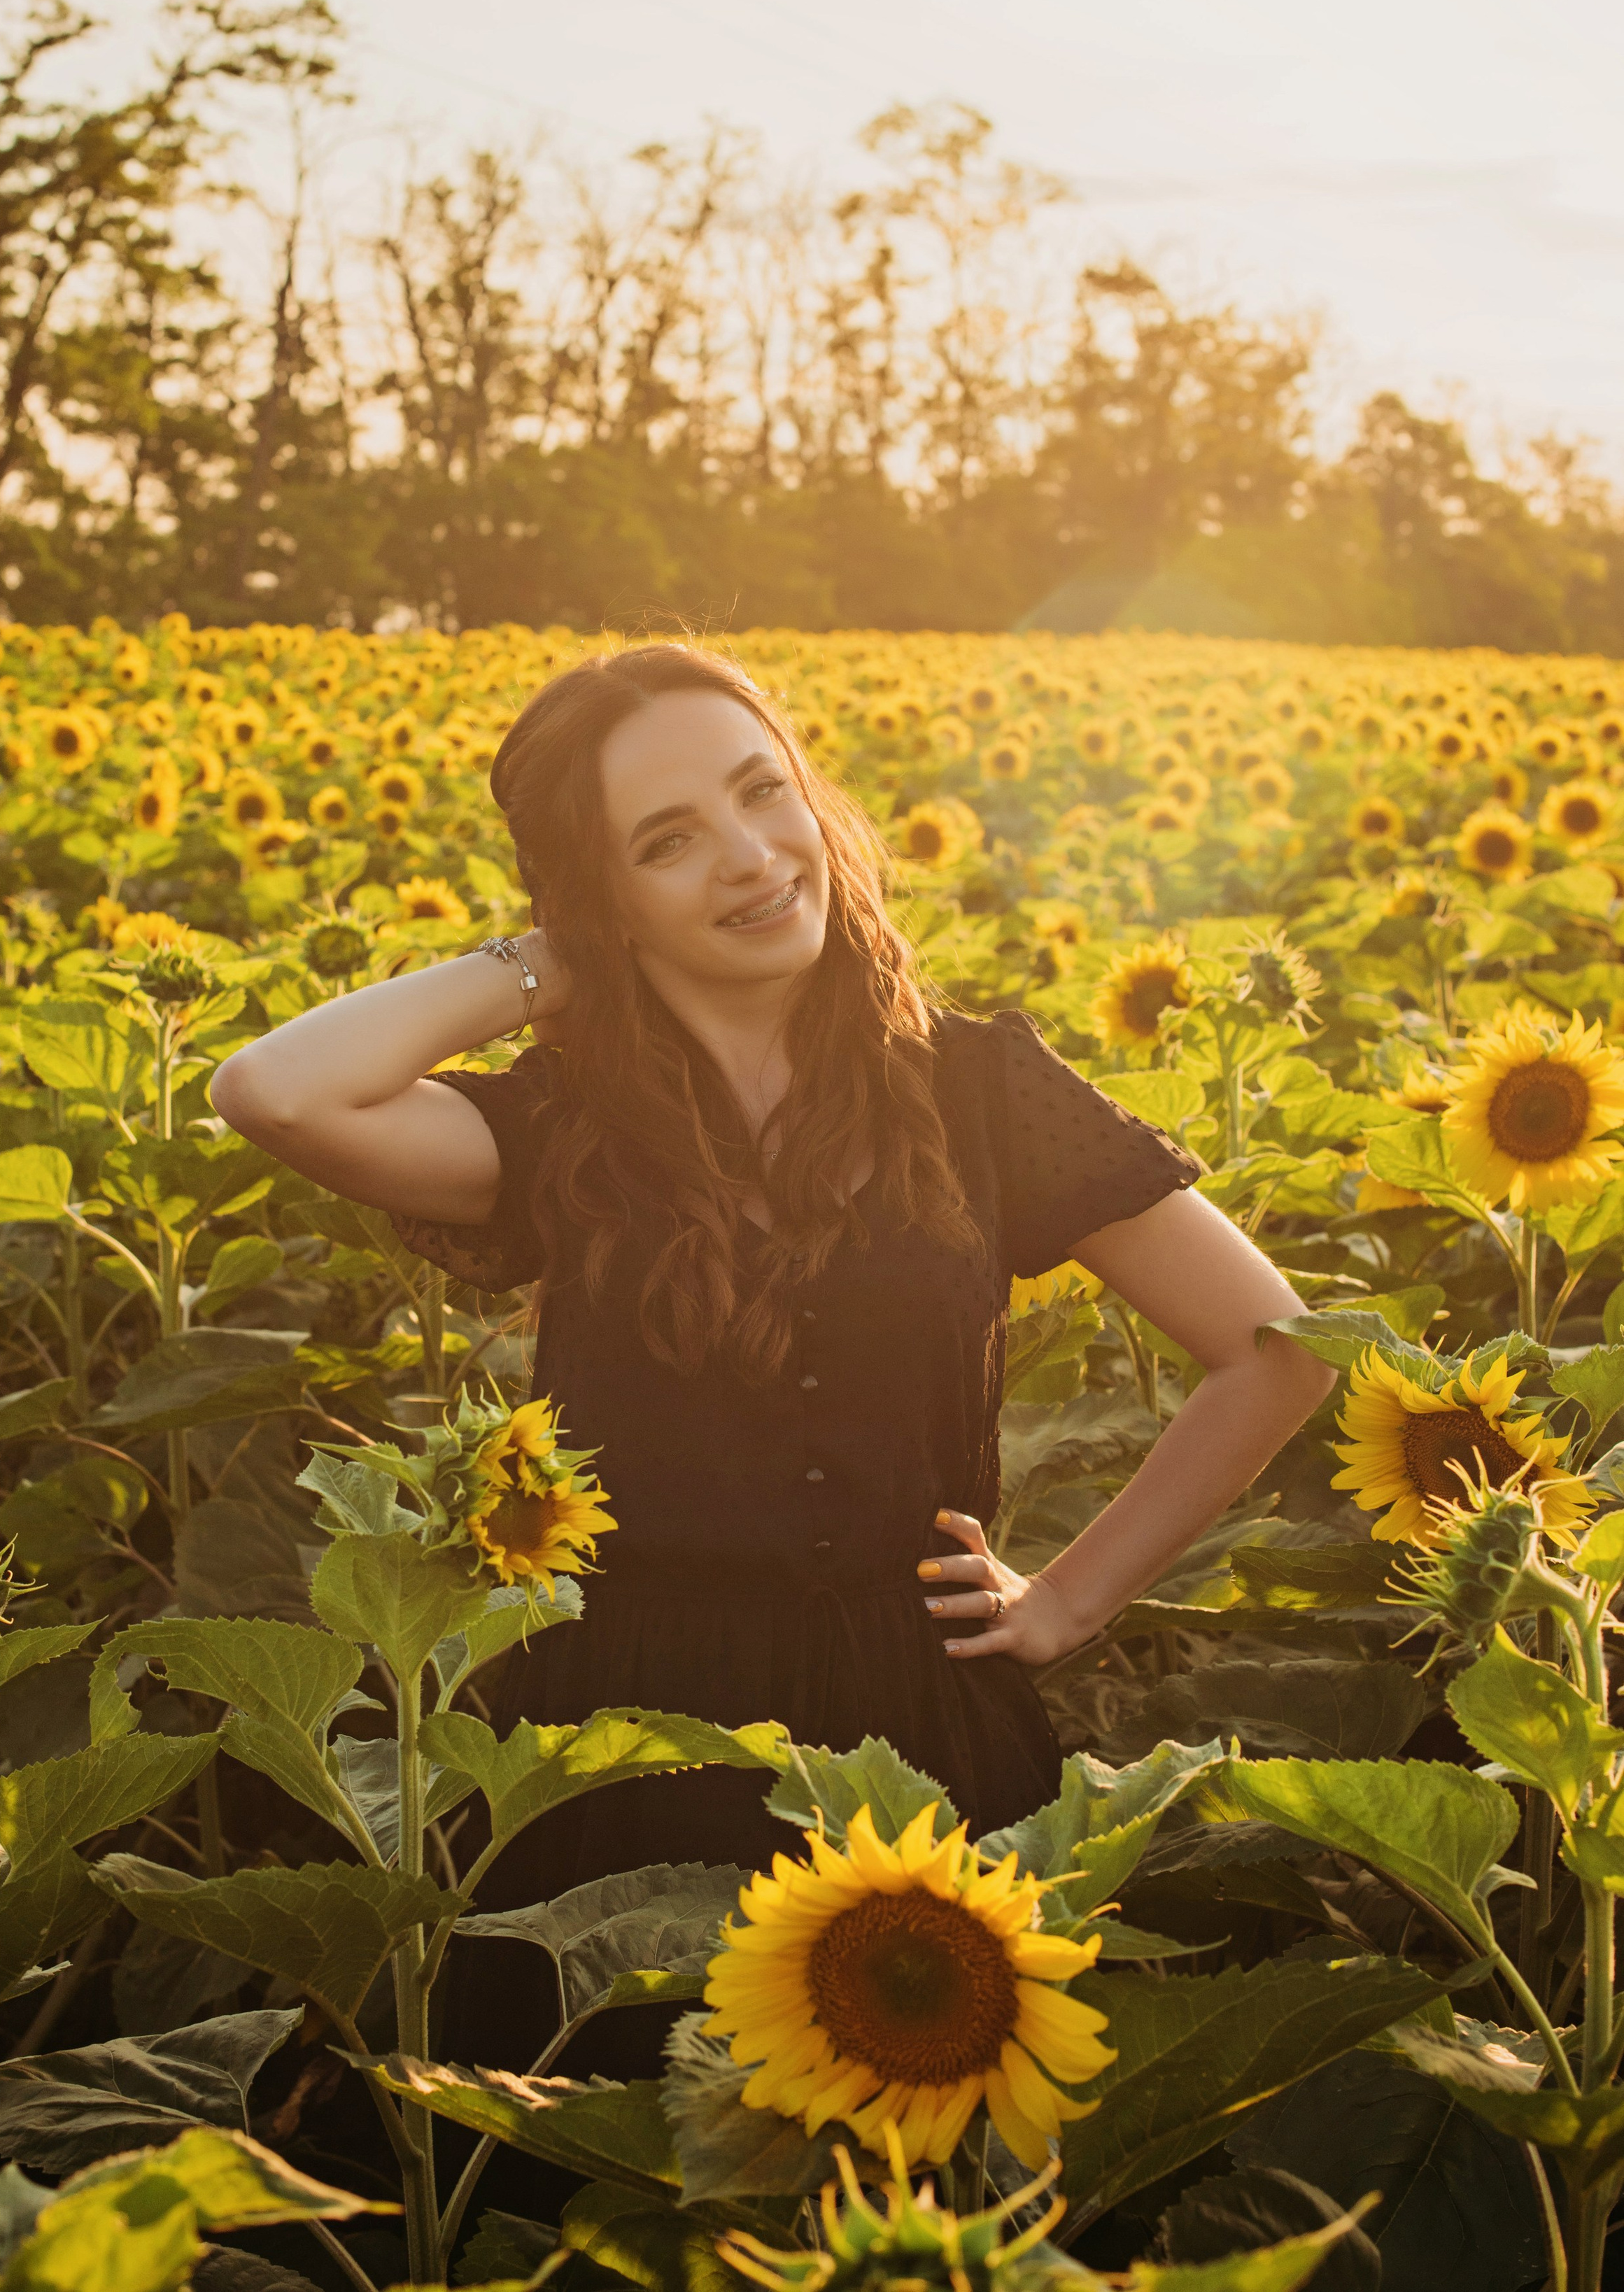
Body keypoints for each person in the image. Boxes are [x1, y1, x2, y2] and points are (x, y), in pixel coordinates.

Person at [210, 639, 1332, 2075]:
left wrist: (1065, 1600)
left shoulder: (980, 1087)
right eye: (665, 842)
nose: (747, 858)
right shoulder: (562, 1126)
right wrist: (544, 963)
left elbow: (1275, 1349)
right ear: (597, 895)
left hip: (917, 1711)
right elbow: (273, 1089)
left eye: (763, 794)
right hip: (617, 1743)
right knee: (603, 2161)